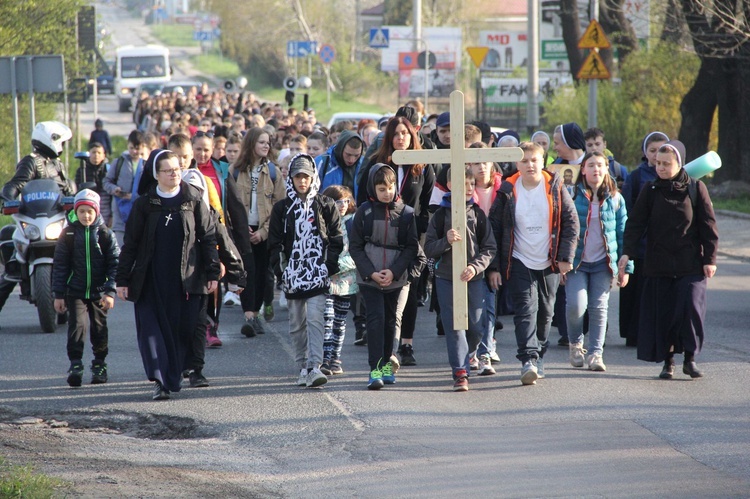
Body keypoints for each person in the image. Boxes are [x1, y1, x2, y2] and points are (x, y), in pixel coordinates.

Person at [116, 149, 220, 400]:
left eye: (177, 169)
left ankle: (174, 373)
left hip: (186, 280)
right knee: (152, 332)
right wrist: (122, 279)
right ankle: (160, 381)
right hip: (150, 280)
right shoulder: (145, 204)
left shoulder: (193, 199)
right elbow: (131, 243)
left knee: (181, 332)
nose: (175, 174)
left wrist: (213, 271)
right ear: (156, 174)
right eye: (168, 170)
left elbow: (207, 238)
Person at [619, 140, 718, 379]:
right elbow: (635, 224)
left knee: (691, 309)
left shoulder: (696, 188)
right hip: (659, 264)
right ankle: (669, 361)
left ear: (680, 163)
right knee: (664, 313)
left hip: (690, 263)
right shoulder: (650, 190)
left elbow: (708, 225)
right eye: (658, 163)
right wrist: (626, 253)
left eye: (666, 164)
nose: (660, 167)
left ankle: (690, 359)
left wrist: (710, 258)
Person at [488, 141, 579, 385]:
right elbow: (494, 229)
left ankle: (539, 353)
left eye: (534, 160)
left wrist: (565, 258)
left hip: (549, 260)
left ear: (543, 162)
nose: (530, 165)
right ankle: (528, 359)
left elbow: (571, 222)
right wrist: (495, 267)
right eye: (525, 160)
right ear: (517, 163)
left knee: (546, 312)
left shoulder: (556, 186)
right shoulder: (507, 190)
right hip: (519, 259)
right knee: (526, 309)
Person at [357, 115, 434, 366]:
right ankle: (380, 359)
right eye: (396, 134)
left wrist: (418, 229)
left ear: (413, 135)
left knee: (409, 293)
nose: (401, 138)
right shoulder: (375, 164)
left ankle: (406, 344)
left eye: (405, 133)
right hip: (379, 234)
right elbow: (362, 200)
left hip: (411, 235)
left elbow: (428, 201)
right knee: (381, 309)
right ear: (389, 137)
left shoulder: (422, 164)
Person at [268, 154, 343, 388]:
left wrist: (327, 266)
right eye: (298, 176)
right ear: (290, 178)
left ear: (313, 178)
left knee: (315, 320)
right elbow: (274, 243)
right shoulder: (282, 208)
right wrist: (281, 272)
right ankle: (302, 367)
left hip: (318, 273)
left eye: (306, 176)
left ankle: (314, 367)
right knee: (297, 324)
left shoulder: (326, 204)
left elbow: (336, 238)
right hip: (292, 275)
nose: (302, 181)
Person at [349, 164, 420, 390]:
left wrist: (394, 271)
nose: (386, 193)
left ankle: (388, 365)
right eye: (381, 188)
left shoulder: (407, 213)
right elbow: (355, 247)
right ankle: (375, 369)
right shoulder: (364, 212)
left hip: (395, 278)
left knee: (391, 321)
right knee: (375, 320)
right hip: (369, 278)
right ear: (373, 188)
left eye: (390, 188)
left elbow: (411, 247)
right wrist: (371, 272)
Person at [424, 168, 497, 391]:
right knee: (455, 326)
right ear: (449, 184)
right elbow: (428, 248)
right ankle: (460, 372)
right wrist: (445, 241)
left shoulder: (478, 214)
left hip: (473, 278)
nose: (467, 187)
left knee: (475, 326)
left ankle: (471, 353)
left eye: (470, 183)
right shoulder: (439, 215)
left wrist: (475, 268)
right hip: (446, 277)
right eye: (462, 183)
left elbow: (489, 248)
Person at [0, 121, 75, 319]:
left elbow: (67, 189)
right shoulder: (31, 161)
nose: (63, 146)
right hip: (34, 220)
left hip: (56, 219)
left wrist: (75, 198)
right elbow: (14, 185)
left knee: (78, 248)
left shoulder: (57, 164)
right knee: (13, 262)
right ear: (53, 140)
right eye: (62, 142)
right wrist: (6, 200)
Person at [566, 151, 632, 372]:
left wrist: (626, 268)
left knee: (599, 308)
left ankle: (595, 354)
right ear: (583, 169)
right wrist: (559, 262)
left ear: (606, 169)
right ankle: (575, 344)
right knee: (577, 306)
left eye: (600, 165)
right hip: (576, 263)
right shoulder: (572, 195)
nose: (596, 169)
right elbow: (560, 230)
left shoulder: (615, 199)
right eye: (591, 165)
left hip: (603, 264)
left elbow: (624, 234)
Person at [52, 190, 119, 387]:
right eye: (81, 211)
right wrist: (58, 295)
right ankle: (75, 364)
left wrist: (110, 291)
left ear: (97, 212)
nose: (86, 216)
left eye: (90, 211)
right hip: (75, 291)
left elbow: (115, 263)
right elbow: (60, 265)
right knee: (77, 327)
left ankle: (99, 364)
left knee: (99, 328)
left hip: (99, 292)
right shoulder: (68, 234)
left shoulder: (105, 234)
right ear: (75, 211)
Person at [230, 127, 285, 337]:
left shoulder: (273, 172)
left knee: (263, 275)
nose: (266, 146)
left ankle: (257, 313)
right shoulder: (235, 170)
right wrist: (242, 230)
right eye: (262, 142)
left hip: (265, 231)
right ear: (251, 144)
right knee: (247, 272)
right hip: (241, 230)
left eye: (268, 143)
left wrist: (263, 231)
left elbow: (280, 206)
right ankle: (250, 316)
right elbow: (230, 205)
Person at [618, 131, 669, 346]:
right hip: (640, 245)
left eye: (662, 150)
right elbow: (628, 210)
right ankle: (634, 333)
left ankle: (657, 333)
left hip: (664, 246)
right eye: (652, 150)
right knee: (636, 291)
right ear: (645, 152)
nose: (657, 155)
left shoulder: (674, 175)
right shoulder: (637, 176)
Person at [467, 142, 503, 368]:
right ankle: (471, 351)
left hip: (493, 257)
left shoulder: (503, 191)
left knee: (489, 306)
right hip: (469, 257)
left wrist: (494, 267)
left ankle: (485, 352)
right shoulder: (465, 191)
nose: (482, 167)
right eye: (477, 162)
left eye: (486, 162)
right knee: (471, 310)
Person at [320, 185, 358, 376]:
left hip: (347, 280)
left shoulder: (353, 222)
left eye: (345, 201)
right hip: (326, 279)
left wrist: (338, 265)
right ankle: (325, 358)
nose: (342, 205)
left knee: (340, 322)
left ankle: (335, 357)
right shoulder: (322, 221)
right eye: (337, 201)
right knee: (327, 318)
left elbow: (357, 251)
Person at [103, 130, 148, 248]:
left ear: (143, 147)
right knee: (120, 247)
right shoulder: (119, 162)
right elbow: (106, 181)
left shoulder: (145, 165)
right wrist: (114, 189)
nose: (134, 151)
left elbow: (149, 190)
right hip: (120, 210)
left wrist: (133, 197)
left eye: (137, 148)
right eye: (131, 147)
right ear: (128, 145)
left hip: (138, 212)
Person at [317, 130, 365, 198]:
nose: (352, 160)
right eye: (348, 154)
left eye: (356, 155)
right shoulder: (322, 162)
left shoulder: (364, 165)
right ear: (340, 149)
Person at [75, 142, 112, 227]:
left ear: (103, 155)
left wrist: (111, 216)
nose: (96, 155)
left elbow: (111, 196)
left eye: (99, 153)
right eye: (93, 152)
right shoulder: (81, 170)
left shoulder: (109, 170)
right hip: (87, 210)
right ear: (89, 154)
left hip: (105, 209)